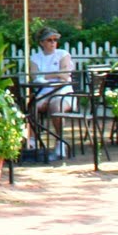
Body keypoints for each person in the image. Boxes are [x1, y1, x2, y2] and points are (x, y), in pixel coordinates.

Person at [28, 27, 76, 157]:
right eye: (49, 40)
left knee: (56, 105)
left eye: (55, 40)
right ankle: (32, 140)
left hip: (63, 92)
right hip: (44, 92)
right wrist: (56, 74)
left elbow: (65, 75)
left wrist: (45, 76)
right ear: (41, 43)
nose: (53, 42)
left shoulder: (63, 54)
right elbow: (34, 76)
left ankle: (60, 141)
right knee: (32, 106)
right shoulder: (35, 58)